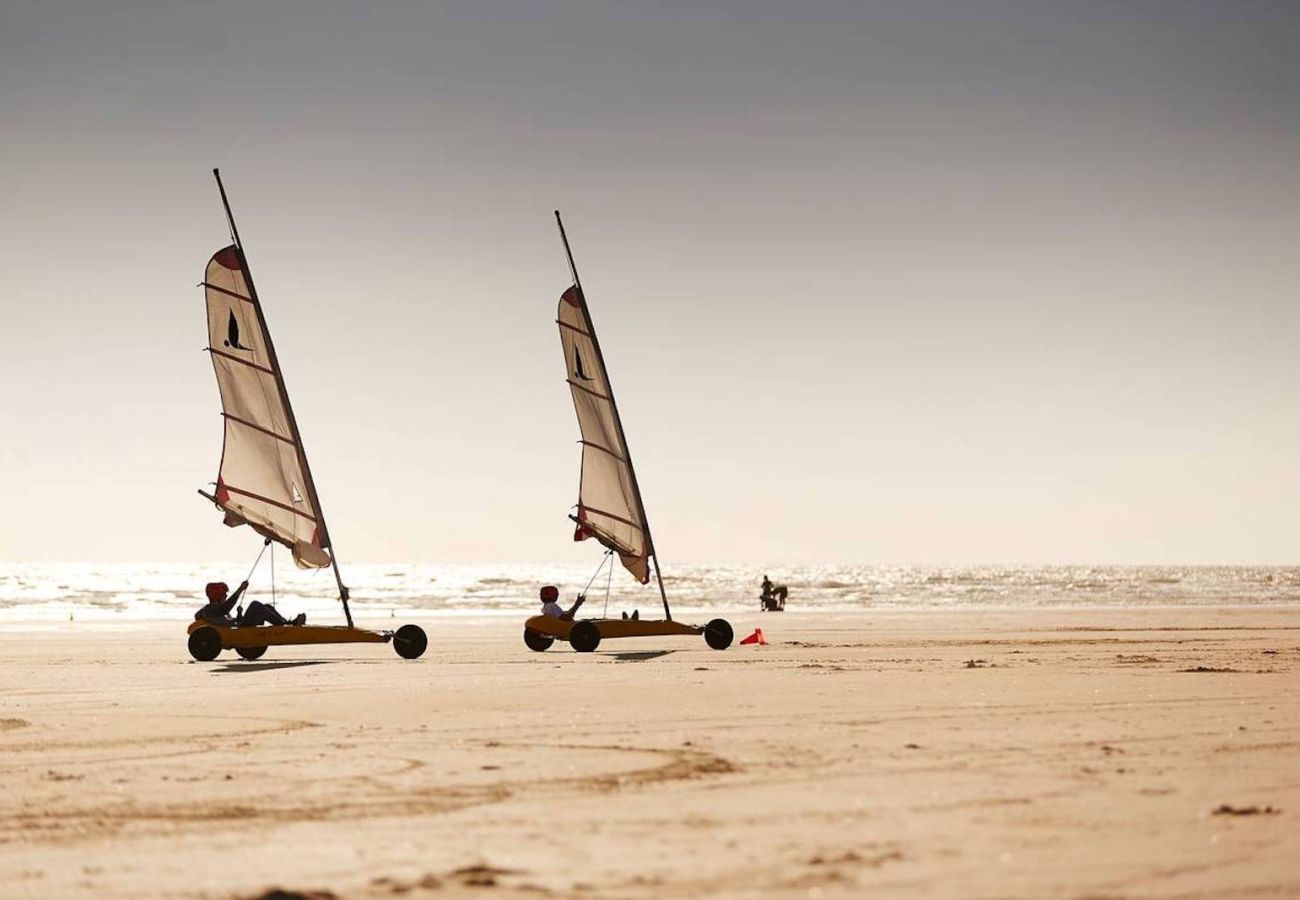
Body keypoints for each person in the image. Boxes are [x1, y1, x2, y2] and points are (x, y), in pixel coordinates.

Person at [196, 581, 305, 628]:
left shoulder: (216, 609)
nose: (225, 597)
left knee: (266, 607)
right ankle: (284, 625)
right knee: (255, 605)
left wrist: (239, 614)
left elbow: (231, 620)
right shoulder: (210, 609)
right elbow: (225, 609)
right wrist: (240, 589)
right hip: (241, 629)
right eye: (224, 594)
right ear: (217, 595)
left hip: (241, 626)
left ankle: (286, 623)